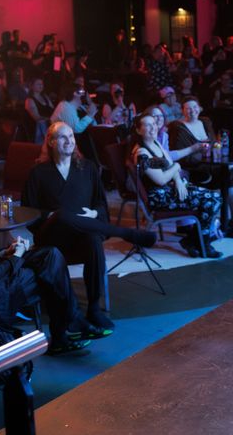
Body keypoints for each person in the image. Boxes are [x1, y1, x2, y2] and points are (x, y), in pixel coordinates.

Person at [0, 165, 106, 354]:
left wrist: (4, 254)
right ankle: (65, 330)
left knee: (50, 255)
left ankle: (69, 326)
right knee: (51, 268)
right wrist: (16, 256)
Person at [23, 122, 157, 332]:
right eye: (63, 137)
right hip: (52, 238)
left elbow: (101, 205)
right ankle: (127, 234)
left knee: (93, 240)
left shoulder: (88, 168)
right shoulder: (38, 173)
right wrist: (50, 216)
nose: (69, 141)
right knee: (61, 214)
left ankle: (94, 308)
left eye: (71, 136)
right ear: (51, 141)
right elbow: (28, 212)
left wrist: (93, 214)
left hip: (81, 236)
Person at [132, 114, 222, 258]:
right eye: (147, 125)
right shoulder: (142, 153)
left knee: (214, 197)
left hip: (170, 188)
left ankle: (193, 240)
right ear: (138, 130)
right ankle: (201, 242)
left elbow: (170, 165)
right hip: (159, 196)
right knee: (213, 199)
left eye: (154, 124)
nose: (153, 128)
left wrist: (179, 181)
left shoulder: (155, 143)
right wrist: (177, 167)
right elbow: (161, 179)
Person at [168, 97, 233, 240]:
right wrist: (201, 153)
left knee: (231, 173)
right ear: (183, 111)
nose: (192, 111)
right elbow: (183, 157)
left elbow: (214, 145)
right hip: (196, 169)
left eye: (194, 107)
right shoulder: (178, 128)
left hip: (212, 164)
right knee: (228, 172)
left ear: (200, 108)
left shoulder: (205, 122)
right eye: (188, 108)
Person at [24, 77, 54, 144]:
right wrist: (50, 119)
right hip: (38, 128)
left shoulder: (45, 96)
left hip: (49, 124)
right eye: (38, 84)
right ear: (32, 86)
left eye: (42, 84)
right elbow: (37, 118)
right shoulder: (29, 100)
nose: (41, 86)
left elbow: (53, 109)